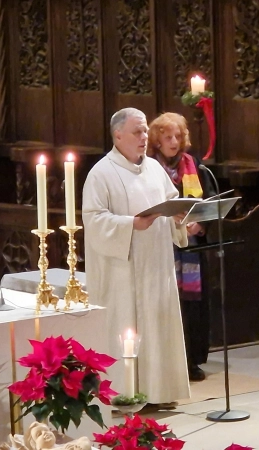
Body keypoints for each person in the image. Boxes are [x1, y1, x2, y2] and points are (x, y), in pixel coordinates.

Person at [82, 107, 191, 405]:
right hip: (122, 271)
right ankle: (126, 396)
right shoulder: (101, 173)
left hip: (156, 264)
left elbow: (171, 202)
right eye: (137, 132)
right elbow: (93, 221)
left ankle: (161, 392)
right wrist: (131, 224)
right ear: (118, 135)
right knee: (128, 328)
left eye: (145, 131)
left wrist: (183, 217)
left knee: (157, 326)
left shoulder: (154, 168)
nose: (144, 137)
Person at [147, 112, 213, 382]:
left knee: (192, 304)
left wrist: (199, 225)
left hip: (191, 246)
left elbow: (207, 200)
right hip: (163, 244)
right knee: (168, 301)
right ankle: (167, 362)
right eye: (168, 137)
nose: (174, 142)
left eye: (178, 136)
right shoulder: (148, 167)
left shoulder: (193, 165)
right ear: (157, 140)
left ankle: (192, 361)